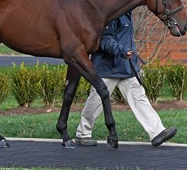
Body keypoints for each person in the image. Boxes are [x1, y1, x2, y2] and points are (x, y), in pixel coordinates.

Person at [75, 12, 177, 147]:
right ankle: (83, 134)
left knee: (139, 97)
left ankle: (157, 132)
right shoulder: (111, 14)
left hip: (126, 67)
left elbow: (125, 40)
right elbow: (104, 40)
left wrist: (133, 62)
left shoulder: (126, 13)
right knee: (96, 101)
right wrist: (122, 50)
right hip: (107, 68)